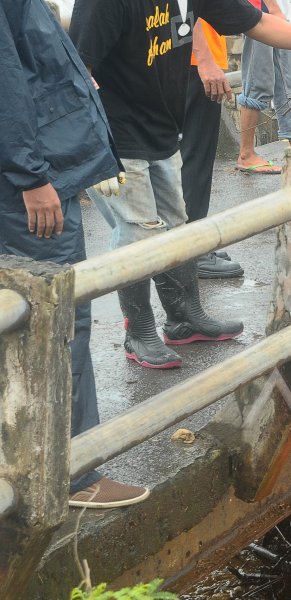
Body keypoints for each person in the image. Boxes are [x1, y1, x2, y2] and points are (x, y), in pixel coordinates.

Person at [70, 0, 291, 369]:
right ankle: (139, 330)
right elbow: (76, 69)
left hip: (161, 129)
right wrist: (95, 149)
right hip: (116, 137)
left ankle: (183, 317)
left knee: (177, 225)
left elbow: (256, 22)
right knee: (138, 234)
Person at [0, 0, 150, 509]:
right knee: (60, 320)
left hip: (27, 174)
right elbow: (6, 82)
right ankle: (73, 473)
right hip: (28, 187)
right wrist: (32, 176)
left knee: (25, 320)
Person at [180, 20, 245, 278]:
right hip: (195, 60)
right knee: (195, 155)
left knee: (195, 155)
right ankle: (191, 251)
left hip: (193, 56)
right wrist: (204, 59)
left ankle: (193, 242)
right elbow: (186, 12)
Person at [236, 0, 291, 174]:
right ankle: (246, 154)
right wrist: (274, 8)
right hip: (259, 14)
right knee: (257, 82)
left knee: (290, 80)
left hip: (278, 16)